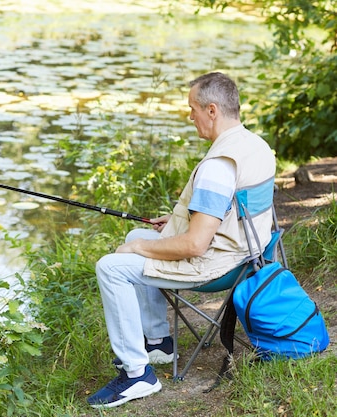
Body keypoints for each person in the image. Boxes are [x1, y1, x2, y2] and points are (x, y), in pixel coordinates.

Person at [87, 72, 276, 408]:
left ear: (212, 110)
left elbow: (194, 246)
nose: (191, 117)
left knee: (112, 266)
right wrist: (176, 222)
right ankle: (159, 342)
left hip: (217, 266)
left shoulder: (218, 166)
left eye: (193, 109)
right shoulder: (254, 145)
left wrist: (139, 249)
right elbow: (229, 212)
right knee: (137, 232)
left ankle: (136, 375)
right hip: (250, 253)